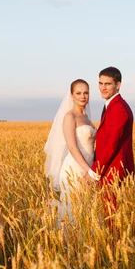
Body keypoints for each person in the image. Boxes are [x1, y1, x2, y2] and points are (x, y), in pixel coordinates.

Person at [44, 79, 99, 226]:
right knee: (73, 212)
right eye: (78, 93)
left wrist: (92, 168)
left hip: (88, 167)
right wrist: (90, 170)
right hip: (73, 170)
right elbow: (73, 147)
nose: (83, 96)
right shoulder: (70, 117)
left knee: (86, 211)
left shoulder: (86, 117)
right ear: (72, 95)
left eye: (86, 93)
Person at [91, 66, 135, 227]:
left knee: (113, 220)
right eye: (101, 83)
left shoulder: (118, 109)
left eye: (108, 84)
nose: (103, 87)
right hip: (109, 171)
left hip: (114, 172)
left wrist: (94, 172)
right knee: (110, 217)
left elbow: (111, 145)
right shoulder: (112, 105)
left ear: (118, 85)